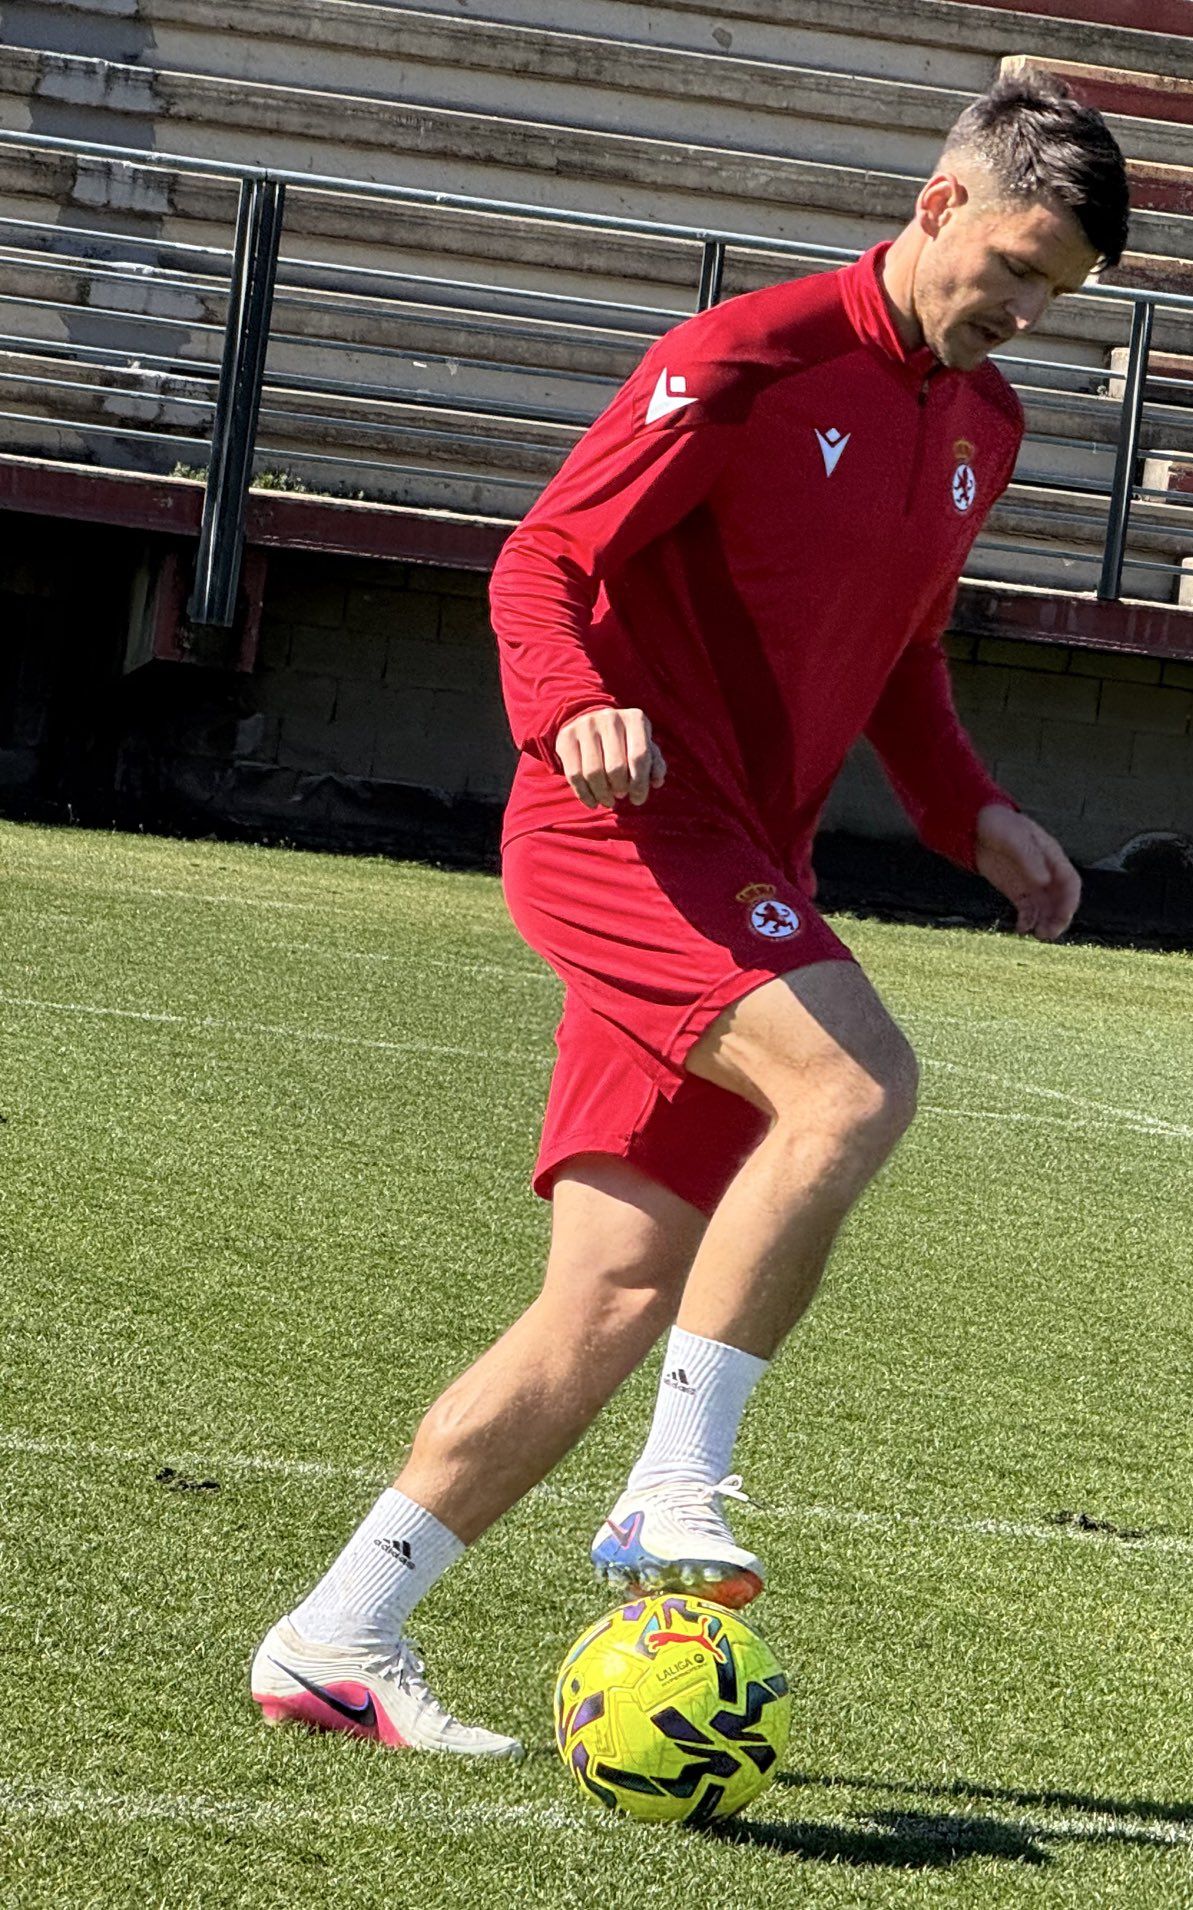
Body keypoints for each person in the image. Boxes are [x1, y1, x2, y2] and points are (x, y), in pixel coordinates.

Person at [248, 77, 1129, 1756]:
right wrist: (572, 700)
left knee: (612, 1284)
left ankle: (338, 1635)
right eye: (1016, 266)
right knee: (856, 1082)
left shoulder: (985, 427)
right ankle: (676, 1486)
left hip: (746, 864)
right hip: (618, 834)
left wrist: (975, 816)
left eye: (1059, 298)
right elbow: (539, 565)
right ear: (938, 204)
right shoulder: (749, 354)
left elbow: (906, 661)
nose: (1025, 313)